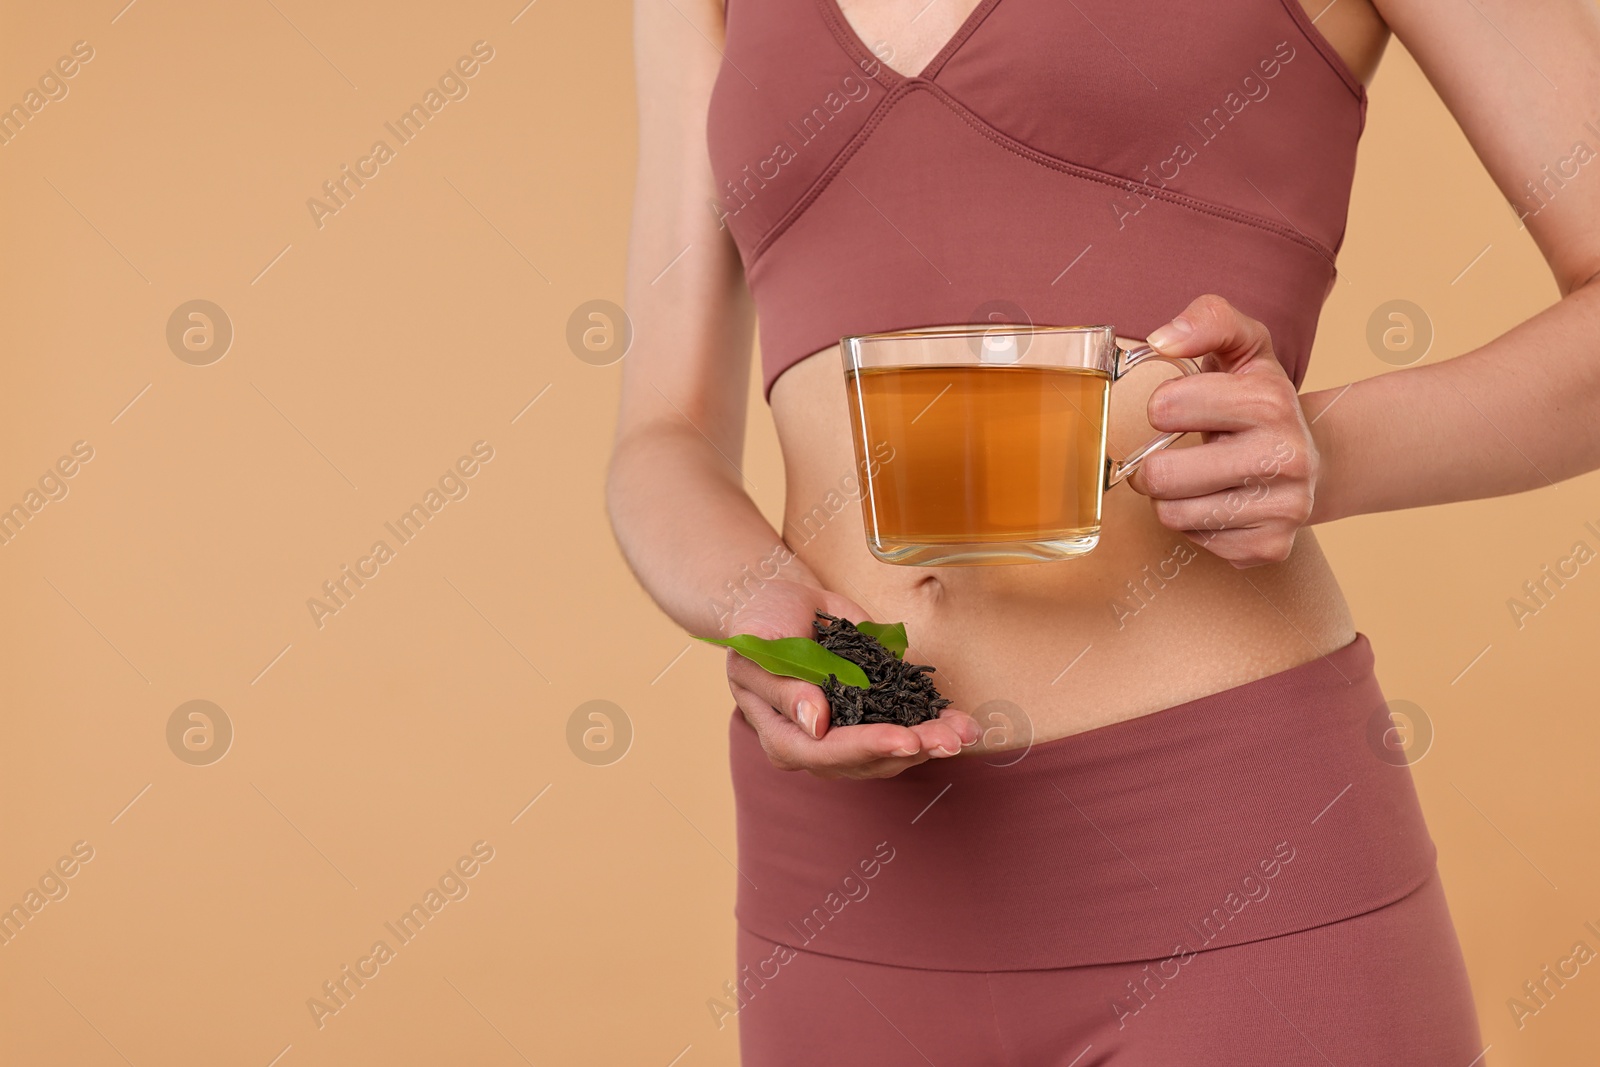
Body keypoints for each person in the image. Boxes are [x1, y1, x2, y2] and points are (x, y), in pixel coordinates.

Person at [608, 0, 1600, 1061]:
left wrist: (1322, 448)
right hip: (843, 887)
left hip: (1234, 862)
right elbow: (661, 434)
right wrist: (755, 606)